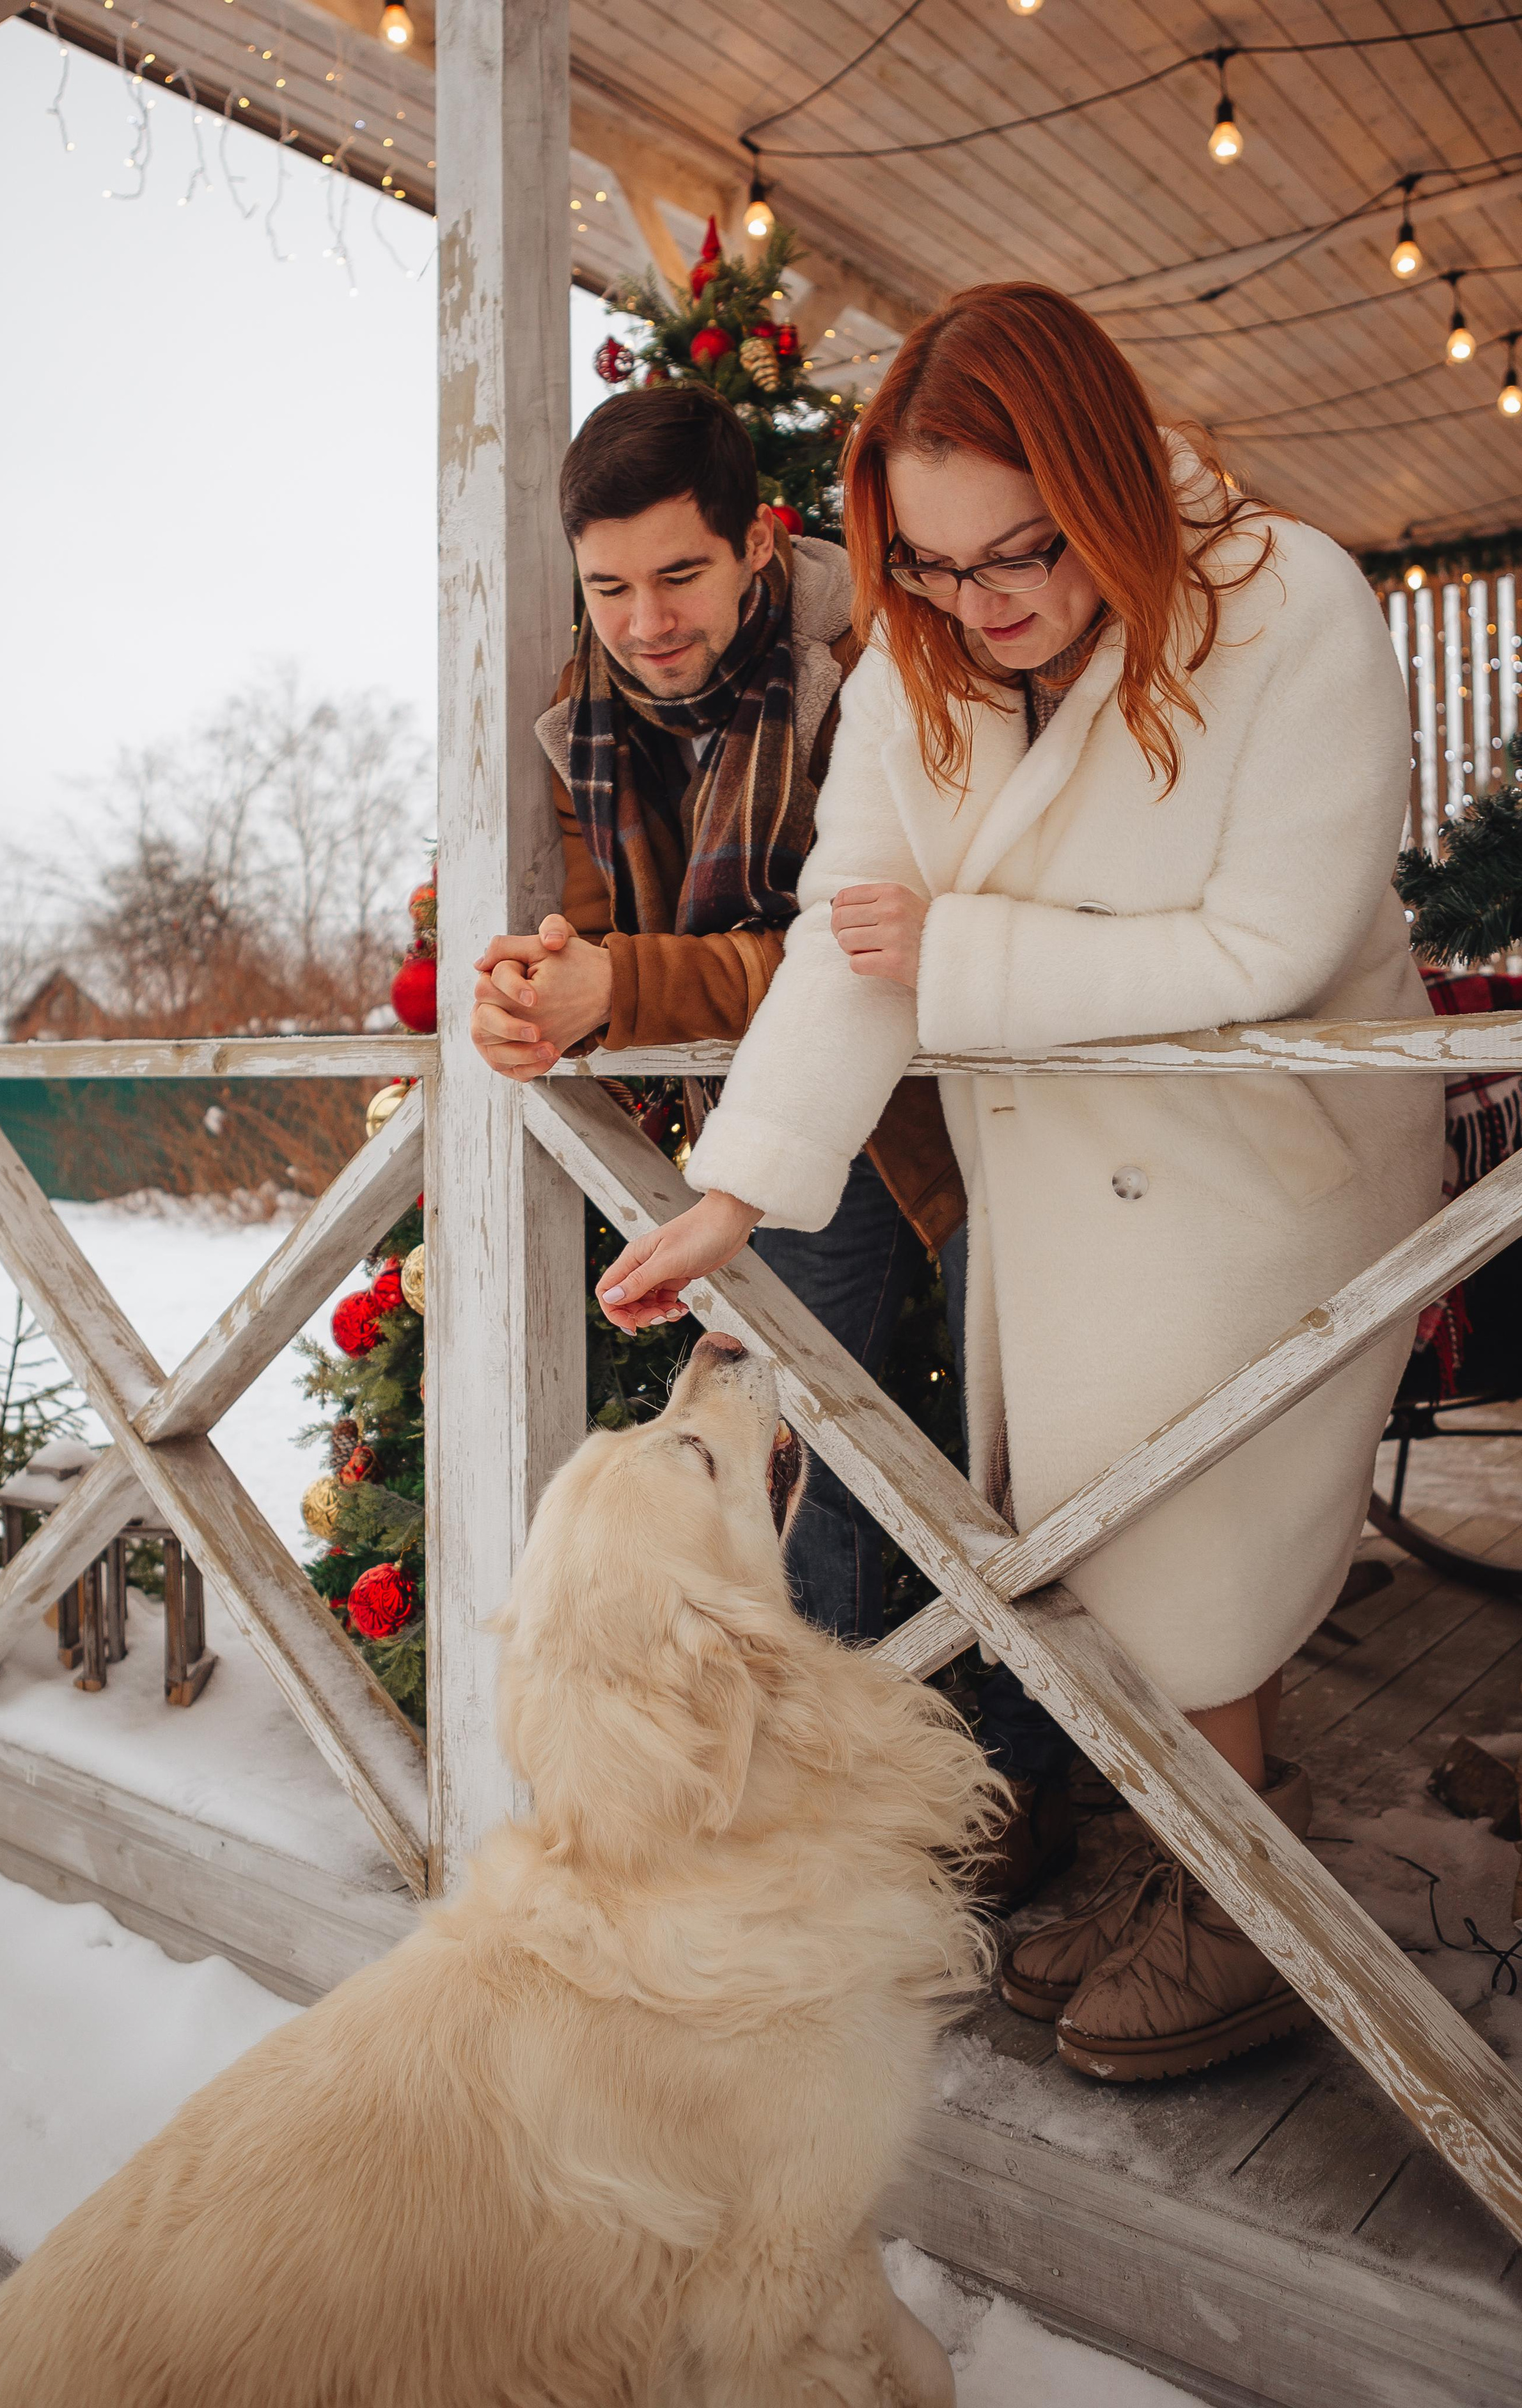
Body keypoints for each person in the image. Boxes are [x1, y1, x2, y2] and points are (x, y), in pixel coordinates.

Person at [593, 283, 1444, 2082]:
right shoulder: (924, 650)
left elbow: (1272, 939)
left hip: (1267, 1150)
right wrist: (739, 1187)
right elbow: (850, 938)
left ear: (1115, 473)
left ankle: (1246, 1892)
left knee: (1199, 1535)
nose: (988, 606)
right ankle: (1176, 1852)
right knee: (1078, 1518)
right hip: (1060, 1172)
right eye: (936, 564)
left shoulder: (1291, 603)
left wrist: (961, 954)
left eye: (1029, 553)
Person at [469, 386, 1000, 1707]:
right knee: (786, 1445)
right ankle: (805, 1753)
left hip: (950, 1104)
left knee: (1019, 1448)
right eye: (607, 587)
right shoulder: (586, 715)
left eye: (679, 574)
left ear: (759, 540)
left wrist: (622, 986)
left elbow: (852, 946)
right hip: (766, 1122)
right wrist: (537, 989)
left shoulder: (874, 665)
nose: (644, 622)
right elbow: (588, 933)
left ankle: (1041, 1769)